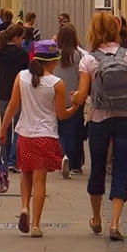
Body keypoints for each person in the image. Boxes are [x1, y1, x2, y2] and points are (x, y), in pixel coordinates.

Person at [71, 12, 127, 241]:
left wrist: (74, 97)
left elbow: (82, 96)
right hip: (126, 119)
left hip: (99, 120)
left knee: (97, 168)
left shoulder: (89, 60)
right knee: (121, 169)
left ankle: (97, 218)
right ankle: (115, 224)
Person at [0, 40, 80, 237]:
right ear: (53, 62)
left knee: (25, 174)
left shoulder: (22, 77)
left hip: (24, 134)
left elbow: (12, 106)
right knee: (40, 181)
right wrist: (76, 105)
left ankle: (24, 207)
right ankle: (35, 224)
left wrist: (3, 130)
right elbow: (61, 115)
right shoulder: (57, 84)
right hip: (45, 136)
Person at [0, 23, 28, 170]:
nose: (21, 41)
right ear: (16, 37)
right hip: (17, 90)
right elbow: (26, 71)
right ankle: (13, 159)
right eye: (21, 38)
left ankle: (5, 158)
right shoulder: (21, 53)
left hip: (1, 89)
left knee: (5, 124)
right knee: (18, 125)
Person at [54, 23, 84, 176]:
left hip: (57, 96)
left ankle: (63, 155)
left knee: (60, 131)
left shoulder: (54, 54)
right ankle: (73, 162)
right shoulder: (78, 55)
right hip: (74, 97)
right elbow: (82, 76)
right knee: (74, 131)